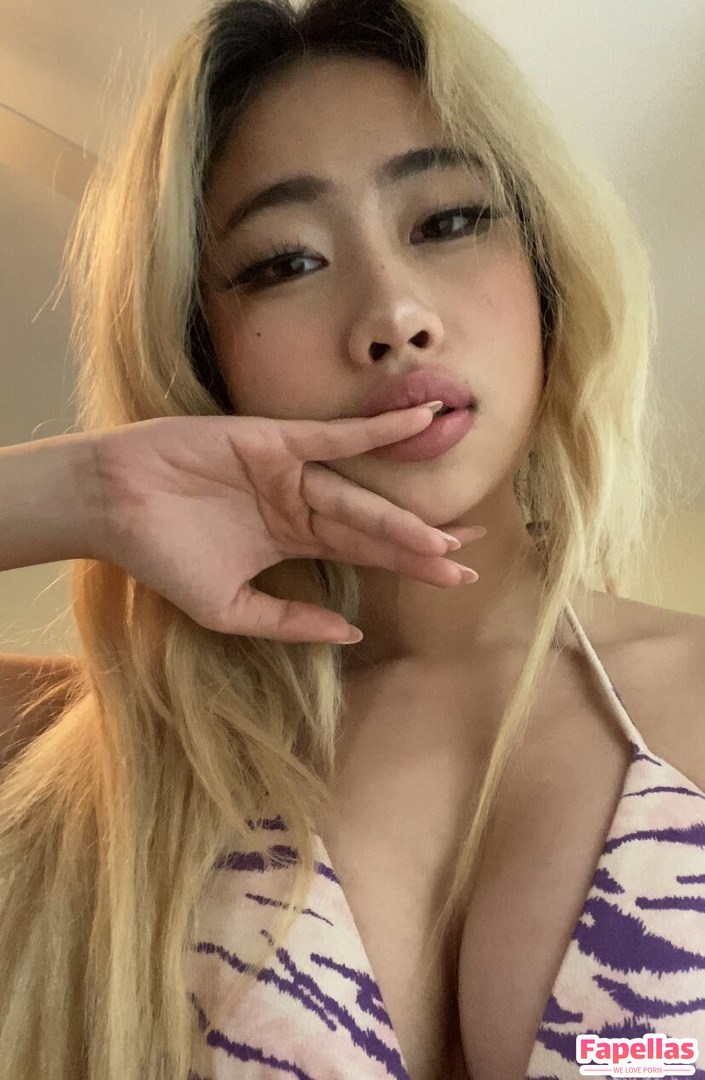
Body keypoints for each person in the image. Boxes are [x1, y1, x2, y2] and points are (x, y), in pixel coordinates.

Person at [0, 0, 704, 1077]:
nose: (394, 314)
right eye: (285, 262)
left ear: (546, 270)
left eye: (448, 220)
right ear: (204, 350)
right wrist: (79, 492)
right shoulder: (114, 777)